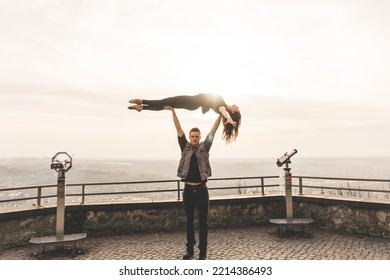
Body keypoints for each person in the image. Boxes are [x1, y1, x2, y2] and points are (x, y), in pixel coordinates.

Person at [167, 105, 221, 260]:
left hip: (202, 190)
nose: (195, 138)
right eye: (193, 136)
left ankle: (202, 251)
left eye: (197, 136)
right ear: (190, 137)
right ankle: (190, 250)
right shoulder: (185, 147)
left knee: (203, 223)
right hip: (188, 191)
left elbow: (214, 130)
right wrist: (173, 111)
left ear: (200, 137)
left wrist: (222, 115)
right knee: (189, 222)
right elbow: (178, 129)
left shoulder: (205, 147)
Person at [128, 94, 241, 143]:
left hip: (191, 102)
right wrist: (228, 118)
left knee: (166, 101)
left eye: (237, 109)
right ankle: (141, 107)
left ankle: (142, 102)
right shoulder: (223, 105)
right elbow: (224, 112)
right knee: (166, 105)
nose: (237, 106)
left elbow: (224, 112)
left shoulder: (222, 107)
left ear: (232, 111)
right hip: (191, 103)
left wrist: (229, 118)